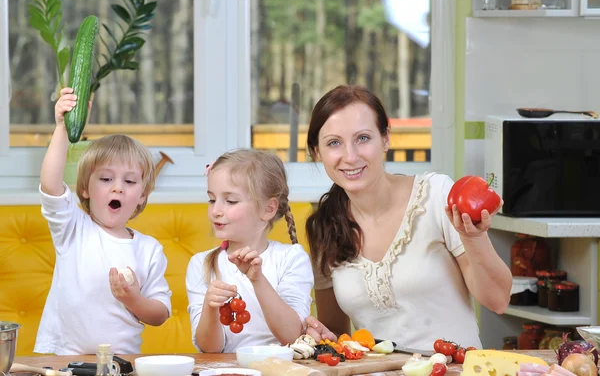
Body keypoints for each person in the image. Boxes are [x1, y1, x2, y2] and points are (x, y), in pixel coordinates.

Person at [303, 85, 512, 350]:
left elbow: (498, 300)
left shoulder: (436, 196)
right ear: (317, 152)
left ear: (386, 138)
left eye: (363, 138)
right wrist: (317, 337)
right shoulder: (323, 227)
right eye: (334, 143)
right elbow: (336, 334)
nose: (351, 156)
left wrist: (475, 238)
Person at [35, 87, 172, 355]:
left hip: (123, 362)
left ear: (142, 196)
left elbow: (160, 314)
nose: (117, 188)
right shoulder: (72, 228)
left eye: (130, 181)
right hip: (67, 360)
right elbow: (50, 185)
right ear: (85, 188)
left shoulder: (149, 249)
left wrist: (134, 299)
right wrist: (62, 128)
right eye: (106, 179)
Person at [186, 149, 313, 353]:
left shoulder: (292, 258)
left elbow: (292, 336)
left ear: (268, 209)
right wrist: (210, 308)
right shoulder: (200, 264)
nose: (216, 210)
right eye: (212, 199)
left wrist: (257, 280)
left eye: (231, 201)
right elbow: (209, 349)